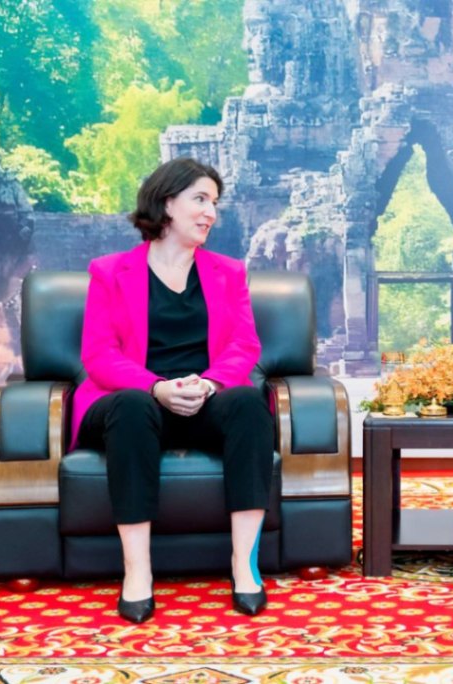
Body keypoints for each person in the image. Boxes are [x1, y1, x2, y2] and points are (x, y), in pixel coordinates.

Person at [71, 158, 274, 623]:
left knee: (247, 401)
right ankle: (137, 571)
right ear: (167, 204)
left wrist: (210, 383)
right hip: (134, 405)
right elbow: (99, 355)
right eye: (200, 199)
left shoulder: (228, 272)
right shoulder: (109, 272)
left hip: (205, 399)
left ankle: (244, 565)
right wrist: (156, 387)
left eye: (215, 203)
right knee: (132, 405)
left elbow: (245, 345)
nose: (211, 213)